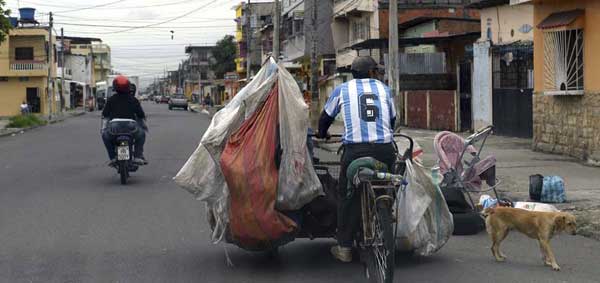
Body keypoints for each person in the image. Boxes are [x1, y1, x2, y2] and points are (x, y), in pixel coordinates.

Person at [317, 56, 397, 263]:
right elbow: (392, 120)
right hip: (385, 150)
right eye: (376, 71)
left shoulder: (342, 90)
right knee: (389, 181)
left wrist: (322, 133)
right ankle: (386, 210)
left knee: (346, 194)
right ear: (371, 72)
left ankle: (344, 246)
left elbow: (325, 118)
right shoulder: (384, 90)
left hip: (355, 152)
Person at [101, 75, 148, 165]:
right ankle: (138, 156)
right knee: (142, 134)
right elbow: (141, 115)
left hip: (114, 127)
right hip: (131, 127)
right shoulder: (133, 99)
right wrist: (143, 123)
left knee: (105, 136)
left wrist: (104, 128)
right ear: (128, 87)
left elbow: (105, 114)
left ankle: (113, 157)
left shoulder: (111, 99)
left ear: (115, 87)